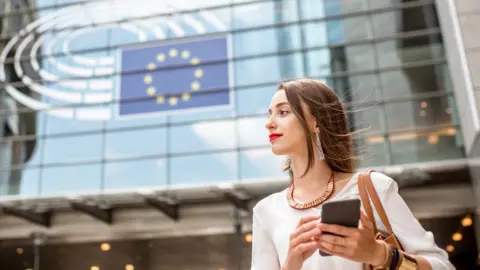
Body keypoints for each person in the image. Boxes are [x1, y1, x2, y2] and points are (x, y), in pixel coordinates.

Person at [251, 78, 455, 270]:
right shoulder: (266, 211)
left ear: (316, 122)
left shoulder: (374, 187)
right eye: (269, 114)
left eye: (283, 112)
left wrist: (380, 254)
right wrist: (290, 265)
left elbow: (443, 266)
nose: (269, 123)